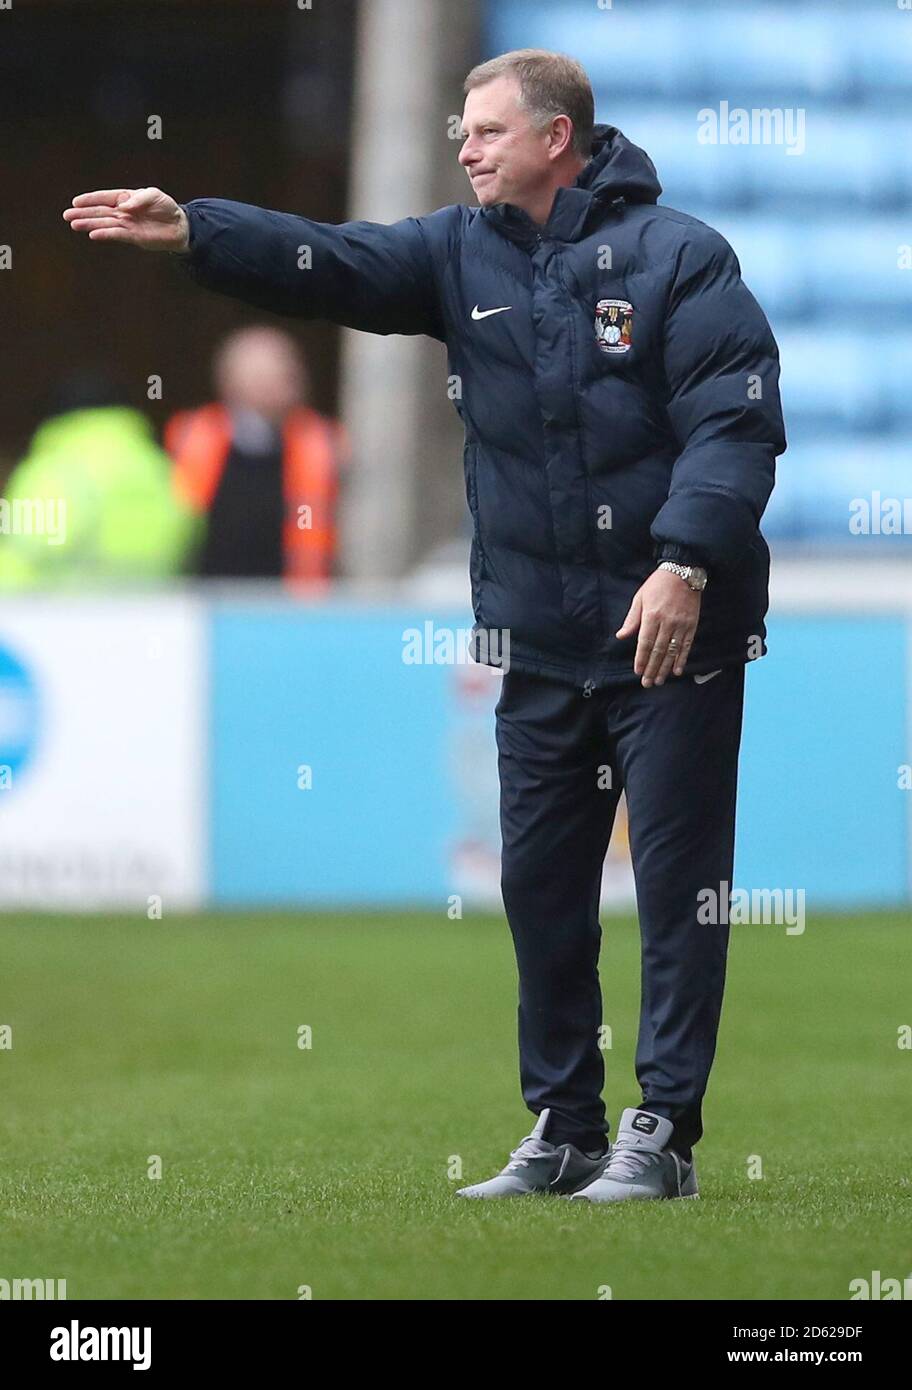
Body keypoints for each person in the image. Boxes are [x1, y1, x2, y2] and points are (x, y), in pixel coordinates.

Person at [64, 46, 786, 1203]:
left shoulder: (680, 258)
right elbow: (334, 264)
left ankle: (664, 1133)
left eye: (487, 132)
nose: (465, 147)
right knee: (542, 887)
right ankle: (563, 1126)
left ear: (560, 138)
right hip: (541, 638)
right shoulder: (460, 251)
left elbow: (736, 426)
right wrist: (198, 229)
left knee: (676, 887)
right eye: (458, 131)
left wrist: (686, 562)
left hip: (671, 634)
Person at [165, 326, 347, 584]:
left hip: (296, 607)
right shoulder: (191, 437)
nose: (287, 379)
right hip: (205, 601)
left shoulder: (325, 443)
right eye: (264, 374)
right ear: (232, 381)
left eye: (289, 370)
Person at [0, 368, 198, 588]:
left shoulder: (54, 470)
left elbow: (19, 558)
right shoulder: (161, 469)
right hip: (153, 614)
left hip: (63, 615)